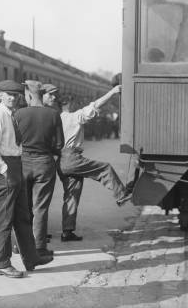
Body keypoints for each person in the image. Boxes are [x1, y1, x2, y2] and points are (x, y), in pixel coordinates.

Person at [0, 80, 53, 278]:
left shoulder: (12, 115)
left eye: (16, 95)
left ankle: (31, 258)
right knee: (3, 219)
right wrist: (5, 170)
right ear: (0, 95)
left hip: (17, 165)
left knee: (23, 216)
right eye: (9, 95)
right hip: (5, 169)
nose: (13, 98)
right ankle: (2, 263)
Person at [57, 86, 133, 242]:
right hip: (72, 157)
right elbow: (95, 105)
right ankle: (121, 195)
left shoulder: (56, 118)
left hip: (61, 160)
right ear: (69, 103)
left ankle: (67, 232)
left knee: (71, 196)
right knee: (105, 168)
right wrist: (112, 92)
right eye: (74, 102)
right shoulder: (74, 117)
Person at [15, 81, 64, 256]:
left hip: (23, 162)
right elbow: (60, 144)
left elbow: (14, 142)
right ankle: (39, 247)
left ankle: (21, 245)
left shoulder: (18, 114)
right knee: (40, 208)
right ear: (41, 94)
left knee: (23, 207)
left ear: (28, 95)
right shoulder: (53, 114)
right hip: (44, 162)